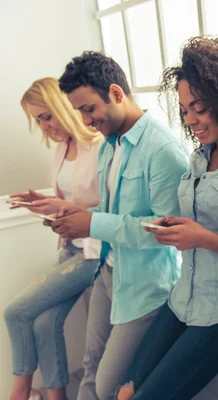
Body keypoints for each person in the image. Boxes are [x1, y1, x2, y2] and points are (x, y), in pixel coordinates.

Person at [114, 35, 218, 400]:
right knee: (124, 393)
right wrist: (175, 229)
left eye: (199, 108)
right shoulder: (197, 159)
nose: (191, 119)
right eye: (185, 110)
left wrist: (201, 237)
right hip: (181, 300)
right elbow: (196, 220)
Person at [52, 51, 189, 399]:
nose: (85, 121)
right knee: (89, 367)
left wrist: (93, 224)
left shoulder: (163, 150)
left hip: (146, 288)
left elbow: (166, 232)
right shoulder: (109, 146)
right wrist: (73, 212)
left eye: (88, 109)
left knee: (108, 383)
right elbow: (116, 208)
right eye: (79, 111)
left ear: (115, 93)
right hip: (109, 272)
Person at [4, 77, 103, 400]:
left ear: (63, 107)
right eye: (37, 120)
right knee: (44, 324)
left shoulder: (99, 145)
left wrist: (63, 206)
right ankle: (56, 395)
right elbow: (66, 202)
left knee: (15, 312)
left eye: (46, 116)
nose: (44, 126)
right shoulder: (61, 149)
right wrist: (40, 203)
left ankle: (20, 393)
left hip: (95, 252)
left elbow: (112, 207)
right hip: (70, 248)